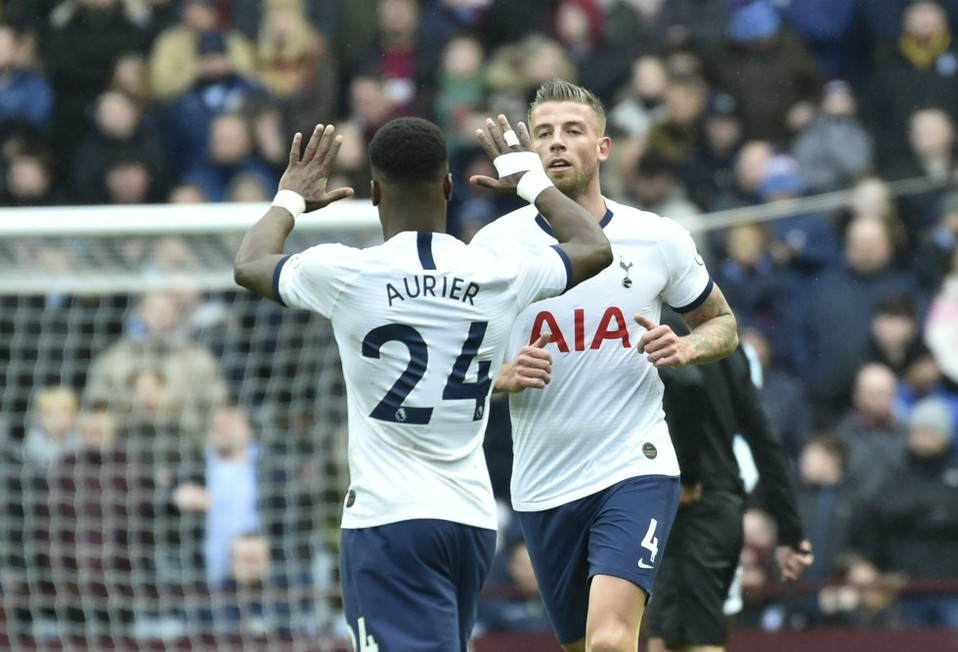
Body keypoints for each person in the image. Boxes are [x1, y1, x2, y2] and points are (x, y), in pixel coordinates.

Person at [232, 116, 612, 650]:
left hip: (391, 520)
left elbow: (250, 263)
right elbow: (594, 246)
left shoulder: (345, 274)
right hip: (472, 523)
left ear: (373, 193)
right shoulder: (497, 271)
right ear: (450, 187)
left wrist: (290, 199)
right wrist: (532, 182)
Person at [469, 79, 739, 652]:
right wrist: (499, 376)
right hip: (543, 481)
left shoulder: (657, 237)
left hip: (634, 464)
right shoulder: (495, 246)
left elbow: (723, 324)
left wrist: (689, 346)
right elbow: (454, 365)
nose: (557, 144)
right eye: (543, 133)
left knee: (611, 641)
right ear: (529, 151)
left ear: (604, 147)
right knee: (584, 645)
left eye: (573, 131)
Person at [649, 313, 813, 652]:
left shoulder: (656, 326)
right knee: (696, 633)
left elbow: (688, 384)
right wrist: (790, 531)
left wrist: (688, 475)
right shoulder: (726, 341)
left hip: (684, 505)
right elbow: (765, 439)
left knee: (674, 641)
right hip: (724, 507)